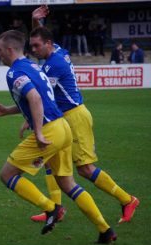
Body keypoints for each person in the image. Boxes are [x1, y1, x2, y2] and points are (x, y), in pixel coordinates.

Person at [0, 29, 116, 243]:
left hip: (49, 131)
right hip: (63, 127)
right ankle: (105, 230)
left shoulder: (14, 73)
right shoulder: (32, 66)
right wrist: (7, 111)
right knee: (68, 184)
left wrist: (37, 132)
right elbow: (40, 99)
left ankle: (51, 208)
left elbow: (36, 99)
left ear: (9, 50)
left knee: (7, 175)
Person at [28, 5, 139, 225]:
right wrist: (35, 22)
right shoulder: (57, 50)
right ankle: (56, 209)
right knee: (50, 161)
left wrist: (29, 118)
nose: (32, 50)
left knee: (85, 170)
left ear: (47, 45)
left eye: (35, 47)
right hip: (63, 118)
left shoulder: (53, 65)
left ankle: (127, 200)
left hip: (74, 117)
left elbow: (44, 96)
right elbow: (43, 37)